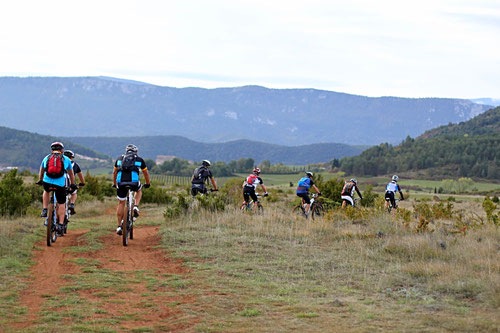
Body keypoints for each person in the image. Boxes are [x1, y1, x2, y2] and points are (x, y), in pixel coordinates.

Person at [37, 142, 77, 234]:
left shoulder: (47, 157)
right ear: (61, 150)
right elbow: (71, 174)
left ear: (52, 150)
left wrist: (40, 179)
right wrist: (72, 184)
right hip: (60, 184)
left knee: (46, 191)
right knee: (61, 203)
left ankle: (44, 209)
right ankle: (60, 224)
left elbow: (42, 170)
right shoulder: (66, 159)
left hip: (47, 182)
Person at [113, 144, 150, 235]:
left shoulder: (119, 159)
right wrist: (147, 183)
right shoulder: (139, 159)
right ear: (136, 152)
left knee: (121, 203)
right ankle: (136, 206)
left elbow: (114, 172)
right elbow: (145, 173)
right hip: (133, 183)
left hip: (121, 183)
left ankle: (119, 226)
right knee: (139, 189)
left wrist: (114, 184)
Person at [63, 150, 85, 214]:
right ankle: (72, 204)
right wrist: (82, 183)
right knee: (74, 193)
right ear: (72, 157)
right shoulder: (75, 165)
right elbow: (80, 176)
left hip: (60, 182)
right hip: (70, 183)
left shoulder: (61, 162)